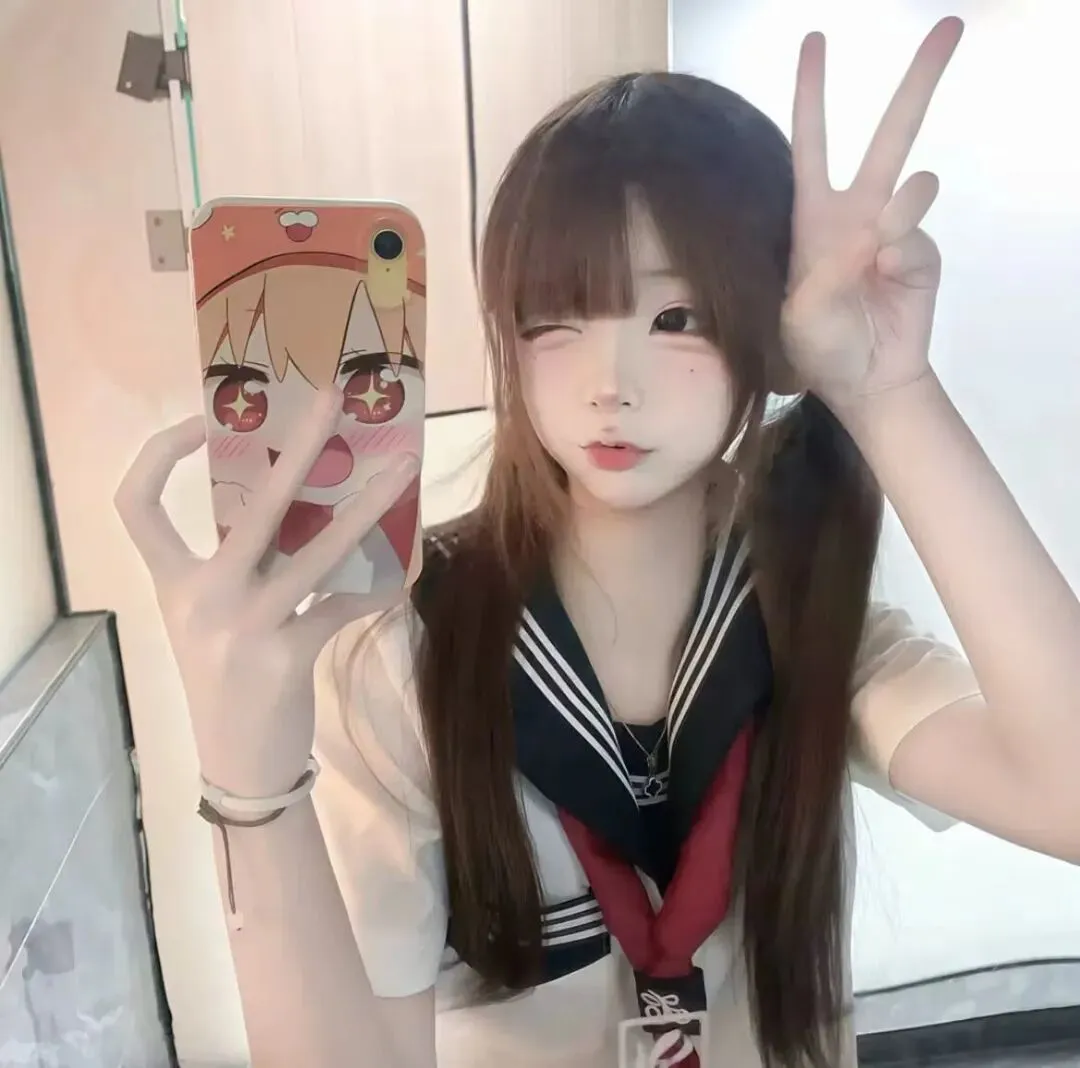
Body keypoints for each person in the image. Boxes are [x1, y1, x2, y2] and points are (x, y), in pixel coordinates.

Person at [116, 18, 1080, 1068]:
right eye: (555, 320)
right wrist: (249, 782)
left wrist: (888, 392)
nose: (608, 384)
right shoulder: (405, 657)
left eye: (677, 318)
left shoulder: (806, 622)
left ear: (765, 329)